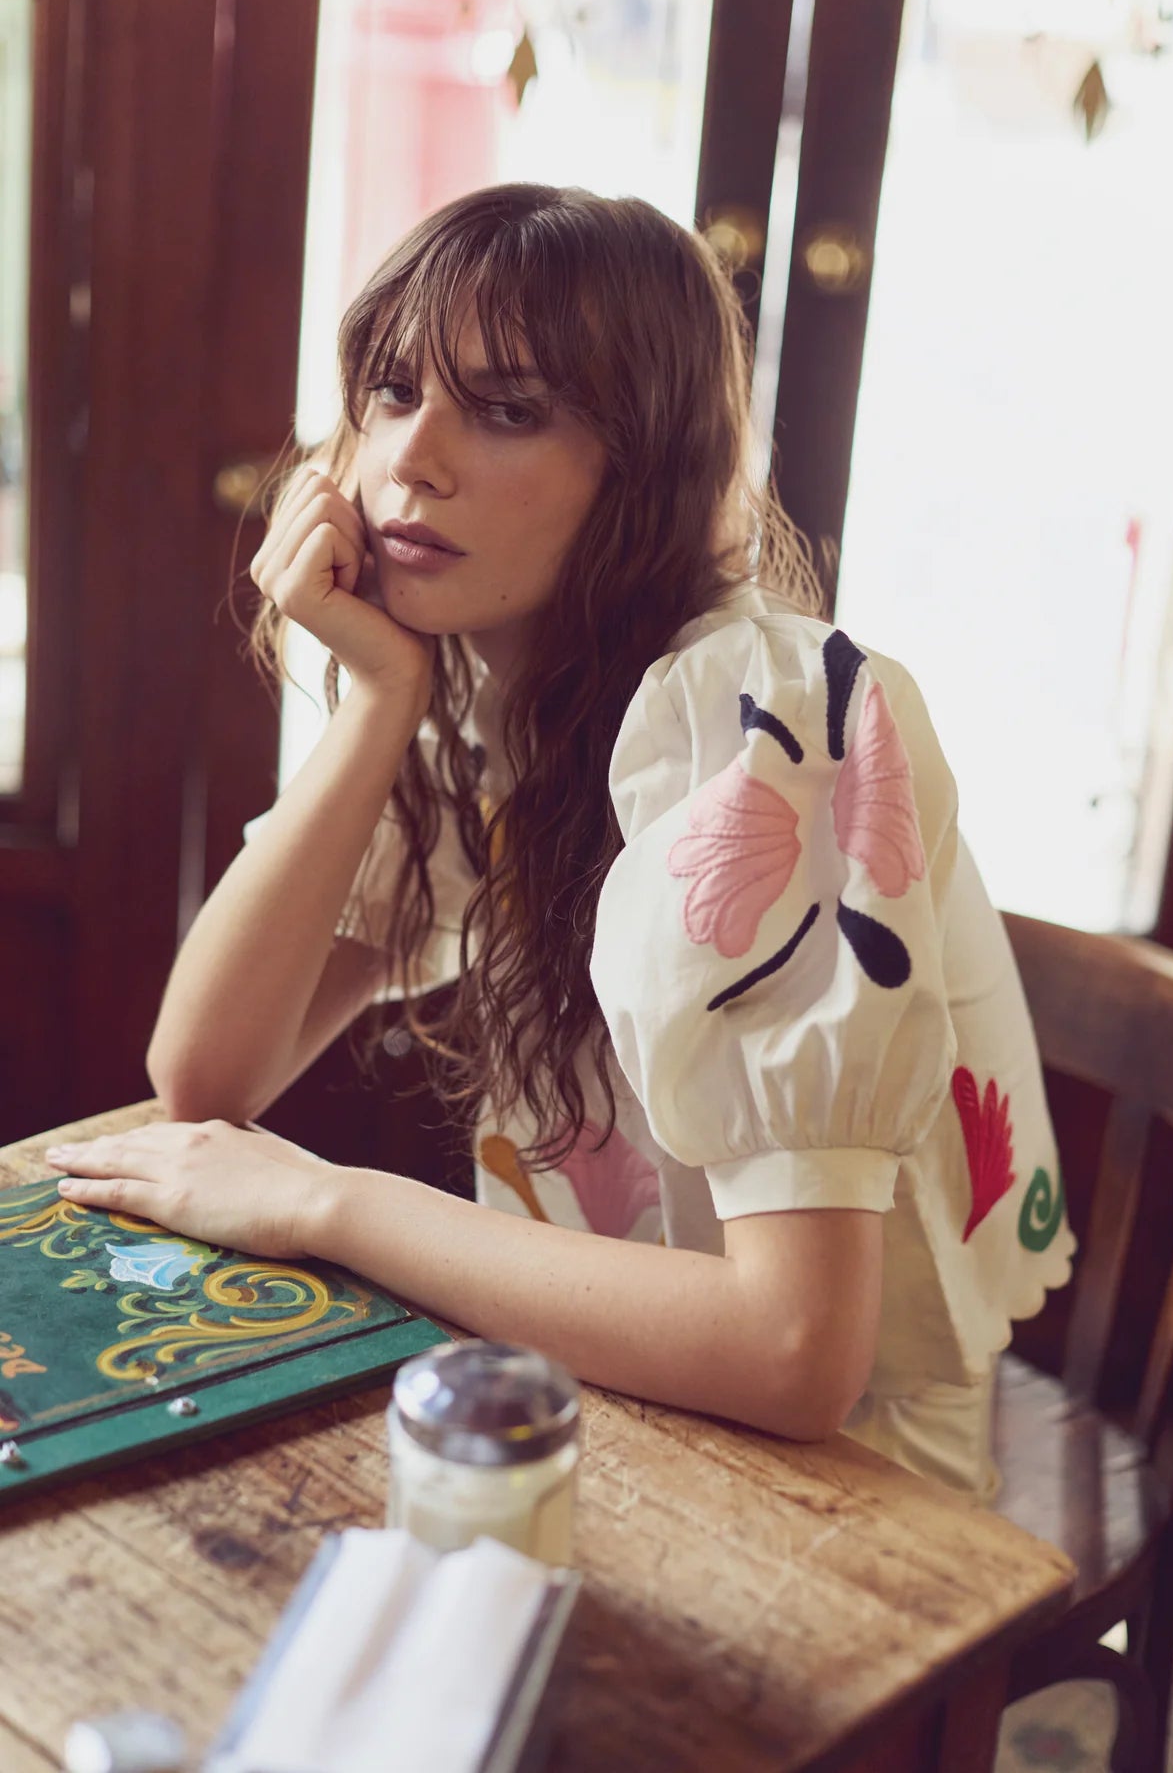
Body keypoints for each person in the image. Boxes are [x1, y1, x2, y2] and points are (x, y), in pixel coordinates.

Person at [47, 183, 1074, 1499]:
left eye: (511, 410)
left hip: (849, 1477)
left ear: (644, 464)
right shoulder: (485, 679)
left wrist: (330, 1203)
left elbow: (798, 1352)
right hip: (613, 1383)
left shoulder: (768, 725)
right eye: (392, 389)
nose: (409, 459)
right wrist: (378, 704)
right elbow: (204, 1073)